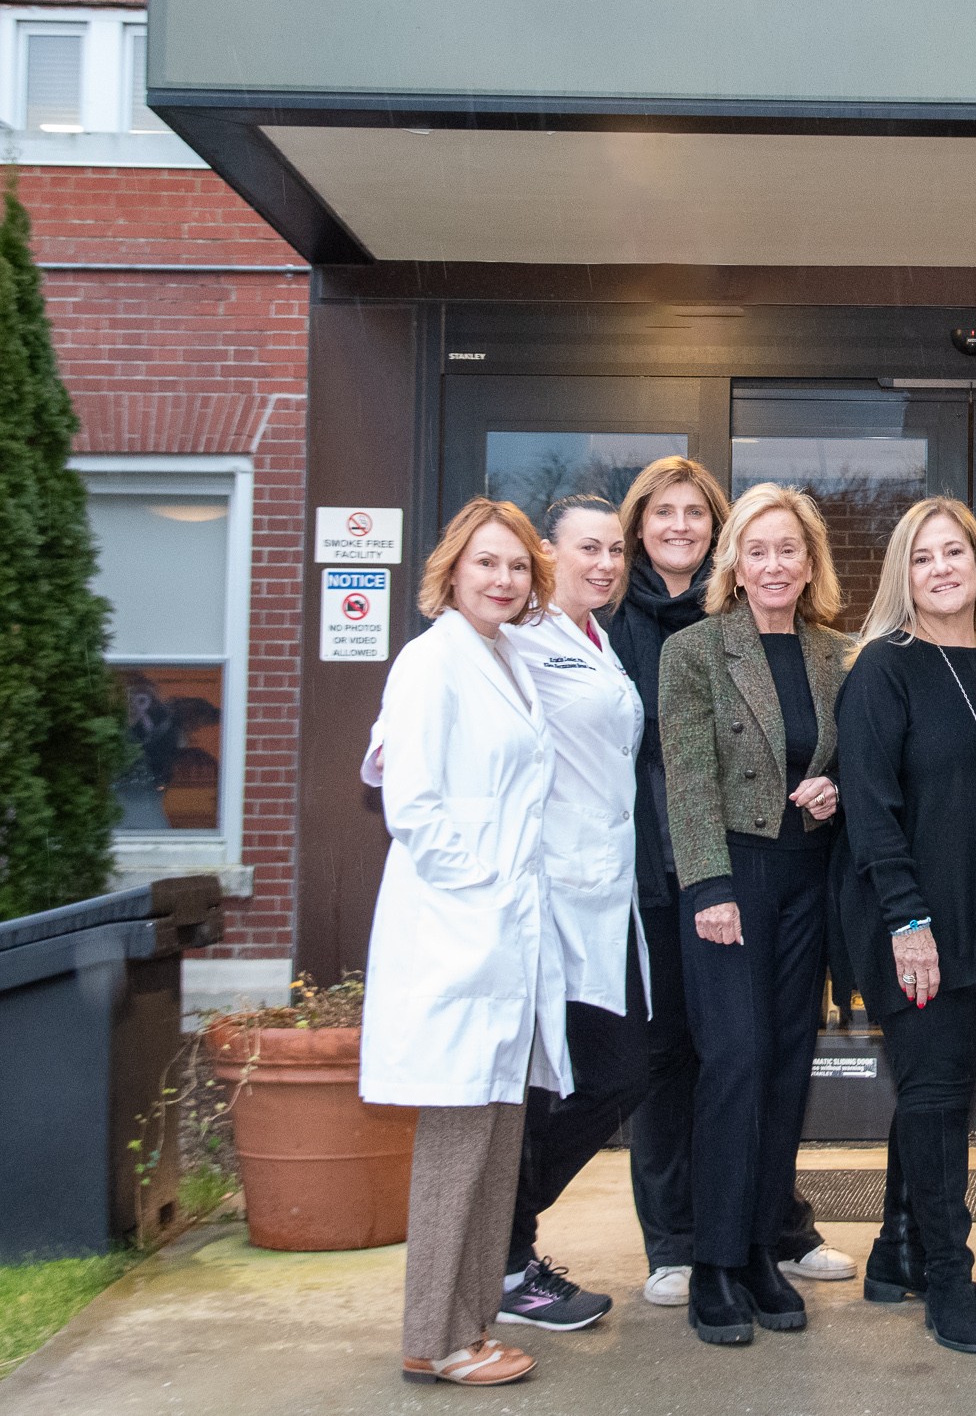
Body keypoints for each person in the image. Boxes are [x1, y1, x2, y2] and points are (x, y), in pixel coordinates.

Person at [609, 457, 852, 1307]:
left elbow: (857, 761)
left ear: (811, 562)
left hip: (804, 879)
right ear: (735, 565)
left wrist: (840, 787)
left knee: (788, 1064)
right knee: (735, 1062)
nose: (776, 564)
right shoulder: (693, 650)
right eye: (759, 550)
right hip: (729, 880)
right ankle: (711, 1261)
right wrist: (708, 888)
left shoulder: (836, 655)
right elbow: (688, 777)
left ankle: (757, 1250)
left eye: (791, 549)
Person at [361, 499, 567, 1389]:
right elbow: (412, 805)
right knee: (457, 1139)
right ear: (452, 570)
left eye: (518, 567)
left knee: (496, 1134)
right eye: (487, 563)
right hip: (460, 929)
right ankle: (432, 1337)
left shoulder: (507, 657)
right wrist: (487, 894)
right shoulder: (429, 661)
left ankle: (469, 1322)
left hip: (504, 936)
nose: (503, 580)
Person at [836, 498, 976, 1356]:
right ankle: (946, 1280)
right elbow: (870, 808)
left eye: (956, 551)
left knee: (943, 1085)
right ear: (903, 576)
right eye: (923, 558)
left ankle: (897, 1251)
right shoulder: (884, 667)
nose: (942, 569)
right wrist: (907, 921)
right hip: (914, 917)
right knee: (935, 1092)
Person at [492, 496, 652, 1332]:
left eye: (616, 550)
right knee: (552, 1085)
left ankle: (501, 1244)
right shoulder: (516, 642)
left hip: (605, 899)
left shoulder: (600, 641)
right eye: (587, 547)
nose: (606, 563)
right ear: (546, 555)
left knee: (615, 1075)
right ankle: (506, 1258)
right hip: (546, 900)